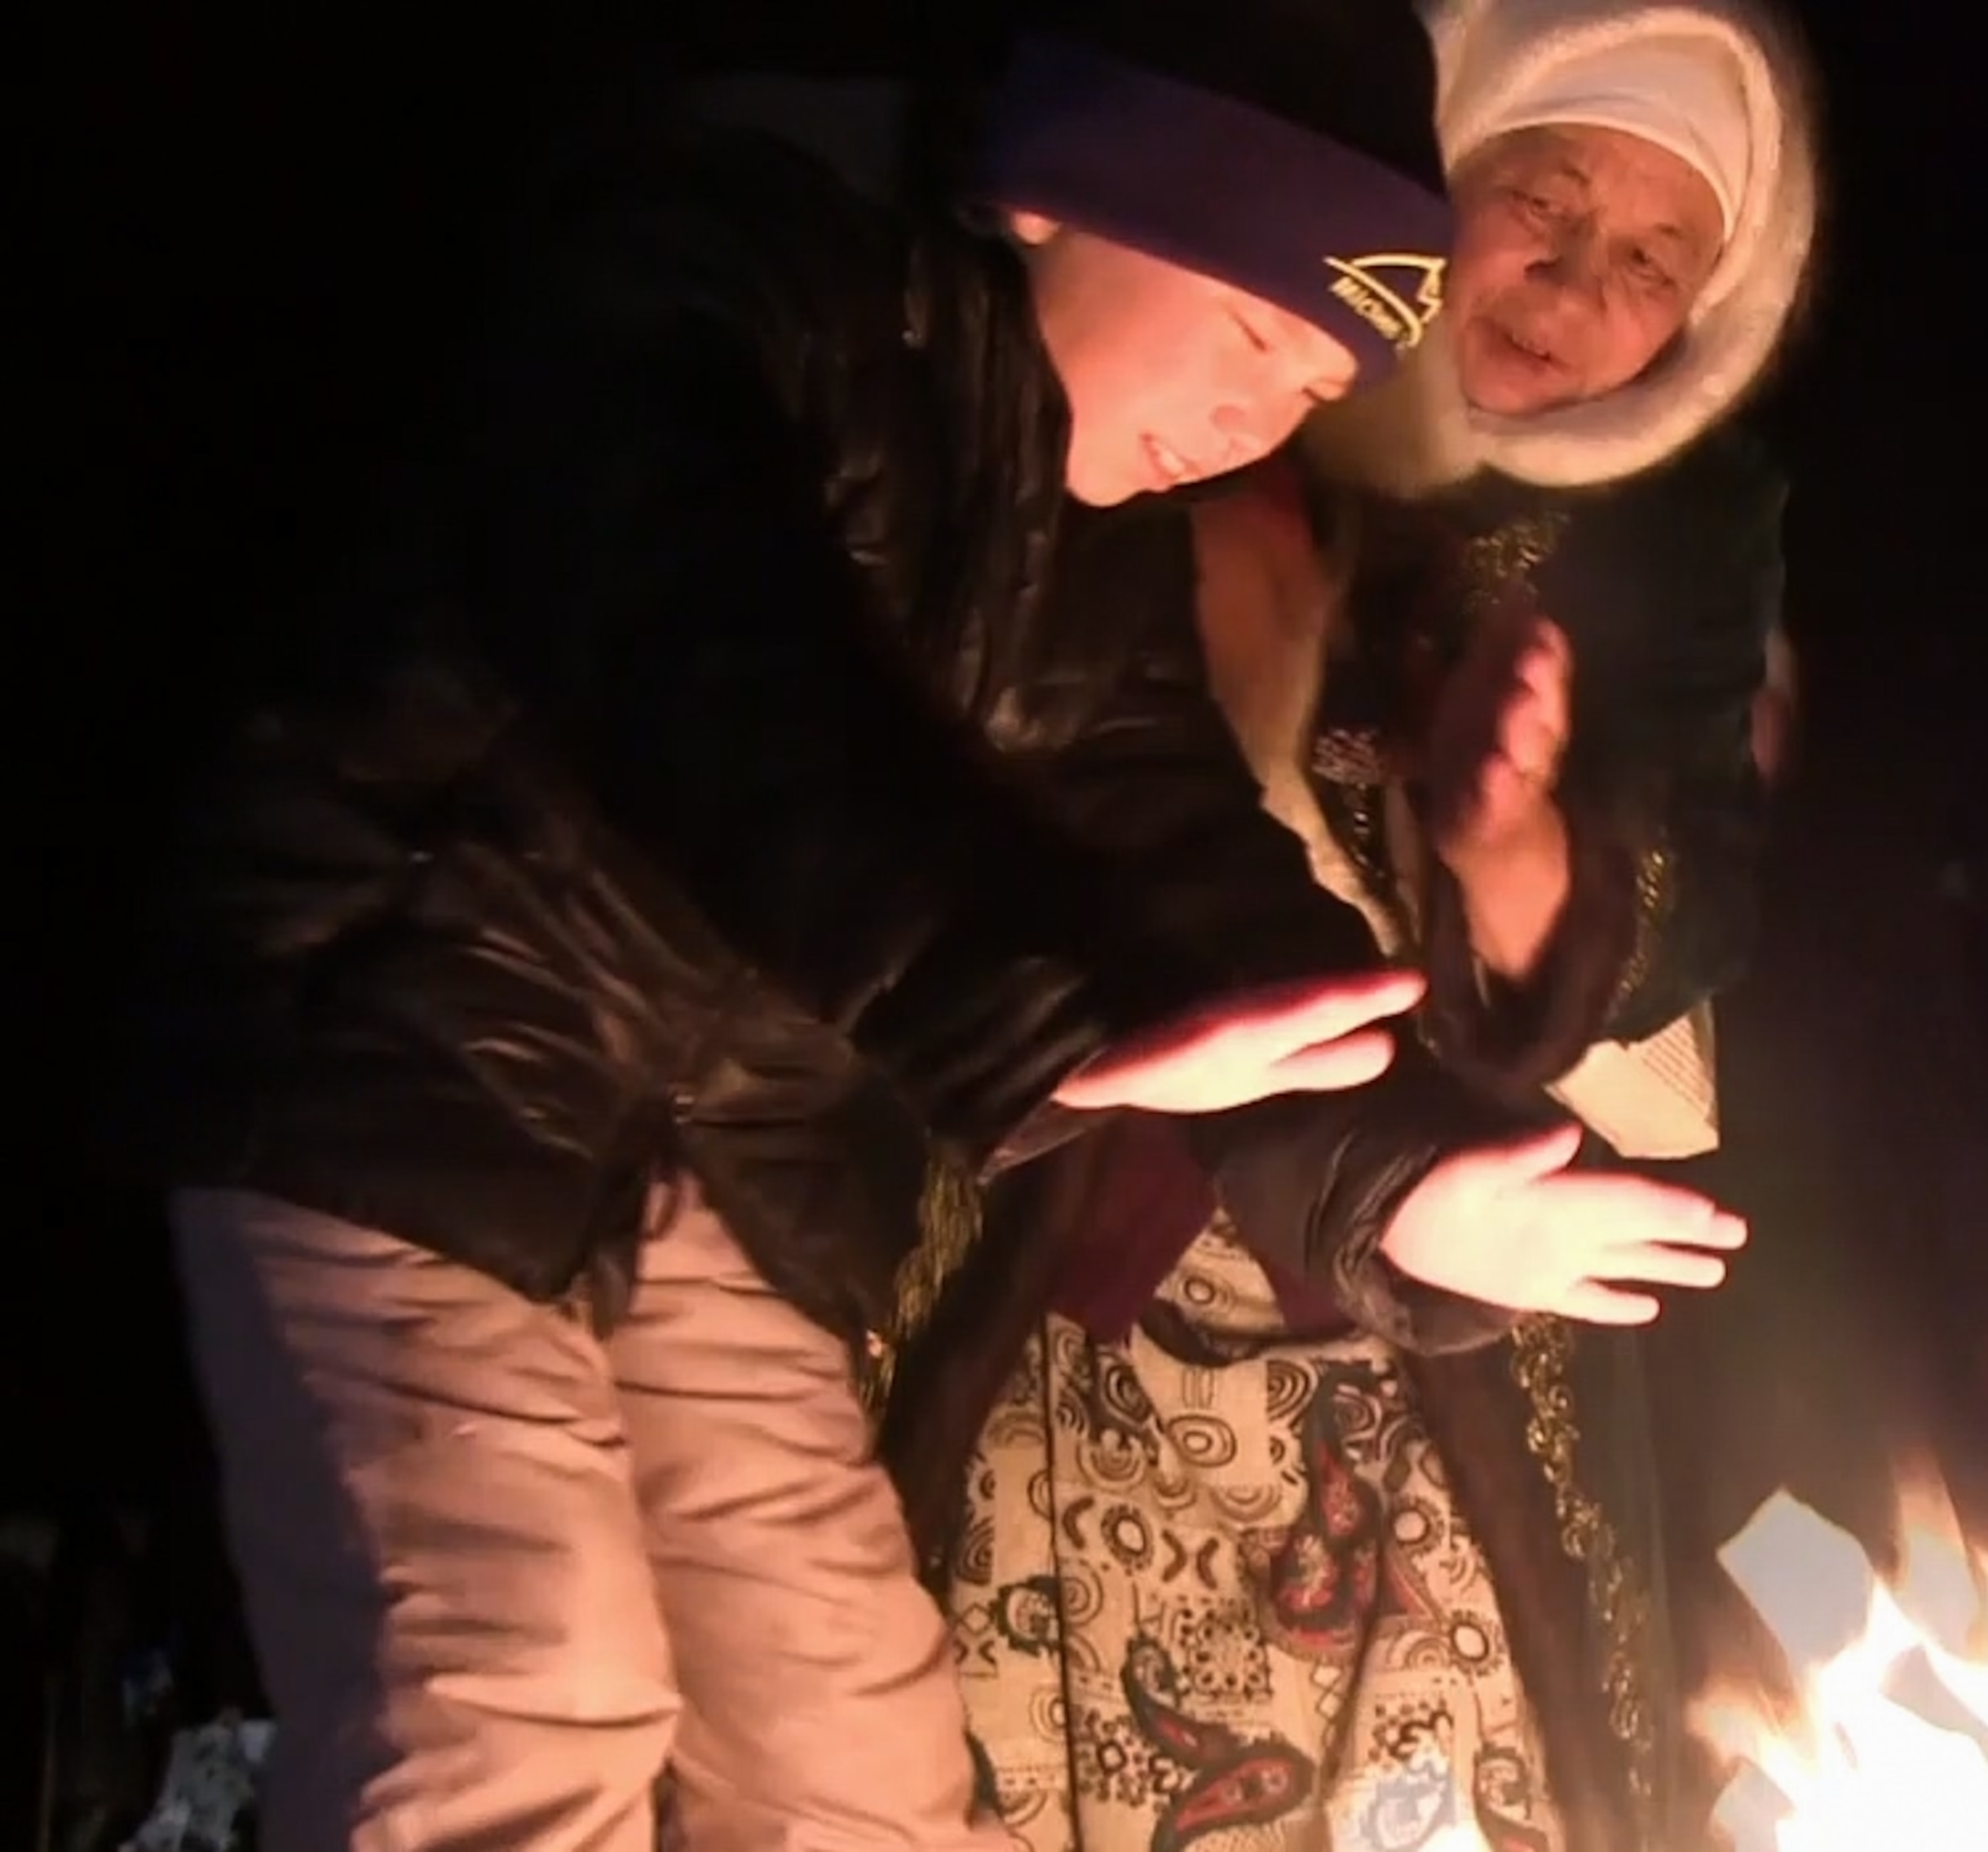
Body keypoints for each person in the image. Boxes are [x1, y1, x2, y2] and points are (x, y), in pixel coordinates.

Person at [131, 8, 1749, 1848]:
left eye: (1310, 383)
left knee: (852, 1757)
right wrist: (1032, 1014)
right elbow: (716, 672)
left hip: (733, 1174)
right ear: (1066, 192)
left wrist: (1395, 1182)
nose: (1256, 409)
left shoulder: (1096, 559)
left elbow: (1190, 887)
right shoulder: (732, 290)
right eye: (1247, 328)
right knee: (514, 1696)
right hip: (407, 1065)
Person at [882, 2, 1820, 1846]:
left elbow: (1694, 886)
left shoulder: (1675, 526)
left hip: (1421, 1294)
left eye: (1653, 262)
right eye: (1538, 203)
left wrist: (1510, 841)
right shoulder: (1170, 388)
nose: (1573, 284)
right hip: (1072, 1224)